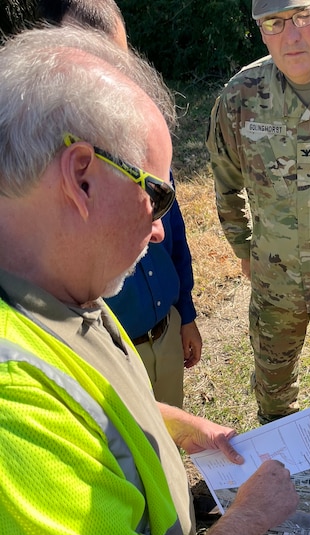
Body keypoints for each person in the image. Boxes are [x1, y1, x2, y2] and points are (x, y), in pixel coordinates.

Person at [0, 25, 298, 535]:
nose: (164, 224)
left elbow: (93, 408)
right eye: (157, 191)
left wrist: (179, 426)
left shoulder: (54, 286)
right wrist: (249, 521)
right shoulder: (9, 405)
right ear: (81, 175)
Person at [206, 0, 310, 424]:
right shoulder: (241, 97)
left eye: (303, 15)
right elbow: (225, 182)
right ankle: (283, 472)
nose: (292, 34)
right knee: (273, 393)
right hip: (275, 282)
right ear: (262, 30)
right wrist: (244, 248)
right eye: (275, 23)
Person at [37, 0, 203, 409]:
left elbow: (174, 234)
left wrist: (186, 311)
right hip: (103, 359)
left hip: (165, 334)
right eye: (97, 61)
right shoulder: (32, 175)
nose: (115, 78)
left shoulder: (140, 134)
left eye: (120, 61)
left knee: (166, 459)